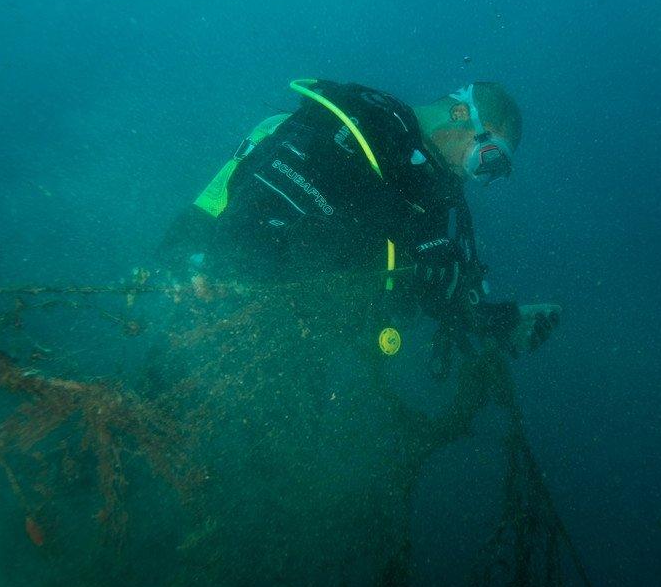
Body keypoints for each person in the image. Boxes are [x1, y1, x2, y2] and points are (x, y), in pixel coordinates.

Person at [160, 78, 560, 370]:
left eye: (493, 173)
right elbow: (255, 226)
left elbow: (427, 291)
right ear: (460, 114)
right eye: (487, 158)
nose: (479, 176)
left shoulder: (428, 198)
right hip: (201, 293)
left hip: (278, 342)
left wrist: (499, 321)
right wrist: (401, 237)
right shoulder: (363, 124)